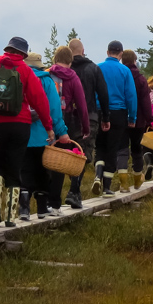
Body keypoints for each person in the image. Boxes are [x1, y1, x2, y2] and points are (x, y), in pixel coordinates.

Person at [0, 37, 55, 226]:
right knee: (15, 169)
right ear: (23, 53)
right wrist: (48, 127)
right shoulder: (25, 70)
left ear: (7, 49)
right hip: (20, 124)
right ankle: (9, 216)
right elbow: (39, 100)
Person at [21, 53, 73, 219]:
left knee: (25, 171)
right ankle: (42, 208)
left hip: (22, 134)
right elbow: (55, 111)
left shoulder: (17, 78)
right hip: (44, 135)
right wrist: (62, 132)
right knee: (43, 172)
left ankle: (23, 210)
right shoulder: (47, 81)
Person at [94, 40, 138, 196]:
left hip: (99, 112)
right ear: (120, 54)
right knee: (113, 149)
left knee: (99, 147)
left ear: (107, 52)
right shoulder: (124, 71)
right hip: (119, 113)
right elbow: (131, 96)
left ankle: (97, 175)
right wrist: (132, 117)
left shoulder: (97, 68)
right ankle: (106, 187)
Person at [50, 46, 90, 209]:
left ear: (55, 58)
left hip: (47, 121)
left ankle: (46, 200)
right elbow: (81, 105)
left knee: (49, 159)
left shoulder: (48, 74)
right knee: (66, 158)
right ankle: (70, 194)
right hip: (67, 120)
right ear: (70, 61)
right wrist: (85, 127)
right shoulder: (73, 77)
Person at [68, 38, 110, 180]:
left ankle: (62, 192)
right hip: (89, 116)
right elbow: (103, 94)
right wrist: (105, 117)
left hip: (66, 117)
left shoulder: (63, 69)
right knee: (83, 154)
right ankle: (75, 189)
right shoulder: (93, 68)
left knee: (66, 154)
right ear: (83, 51)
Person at [121, 49, 153, 189]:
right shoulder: (141, 79)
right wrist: (151, 119)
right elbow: (146, 102)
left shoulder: (120, 76)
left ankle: (123, 184)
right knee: (136, 150)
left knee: (122, 149)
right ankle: (137, 179)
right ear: (135, 61)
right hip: (138, 121)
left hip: (121, 118)